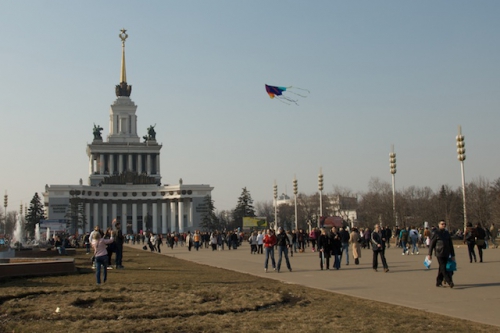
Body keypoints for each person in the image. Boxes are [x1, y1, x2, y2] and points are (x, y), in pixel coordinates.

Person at [428, 220, 455, 288]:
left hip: (446, 252)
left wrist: (453, 254)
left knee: (441, 268)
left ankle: (438, 281)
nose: (444, 225)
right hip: (439, 253)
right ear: (439, 225)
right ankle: (449, 281)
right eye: (442, 224)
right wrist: (429, 254)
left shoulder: (447, 233)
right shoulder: (436, 233)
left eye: (444, 224)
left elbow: (450, 244)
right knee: (443, 267)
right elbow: (432, 244)